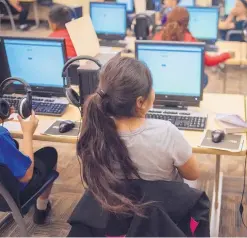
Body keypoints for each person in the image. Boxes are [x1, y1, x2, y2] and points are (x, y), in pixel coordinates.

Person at [77, 55, 200, 214]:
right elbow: (193, 174)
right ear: (140, 102)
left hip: (116, 213)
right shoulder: (166, 132)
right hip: (162, 216)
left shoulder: (95, 130)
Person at [0, 110, 58, 224]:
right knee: (49, 154)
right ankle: (42, 208)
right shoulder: (1, 136)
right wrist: (27, 133)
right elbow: (26, 176)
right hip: (9, 198)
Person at [153, 7, 234, 88]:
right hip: (183, 82)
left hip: (161, 80)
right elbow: (209, 61)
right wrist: (227, 55)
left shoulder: (157, 37)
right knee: (204, 77)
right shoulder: (190, 40)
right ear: (187, 23)